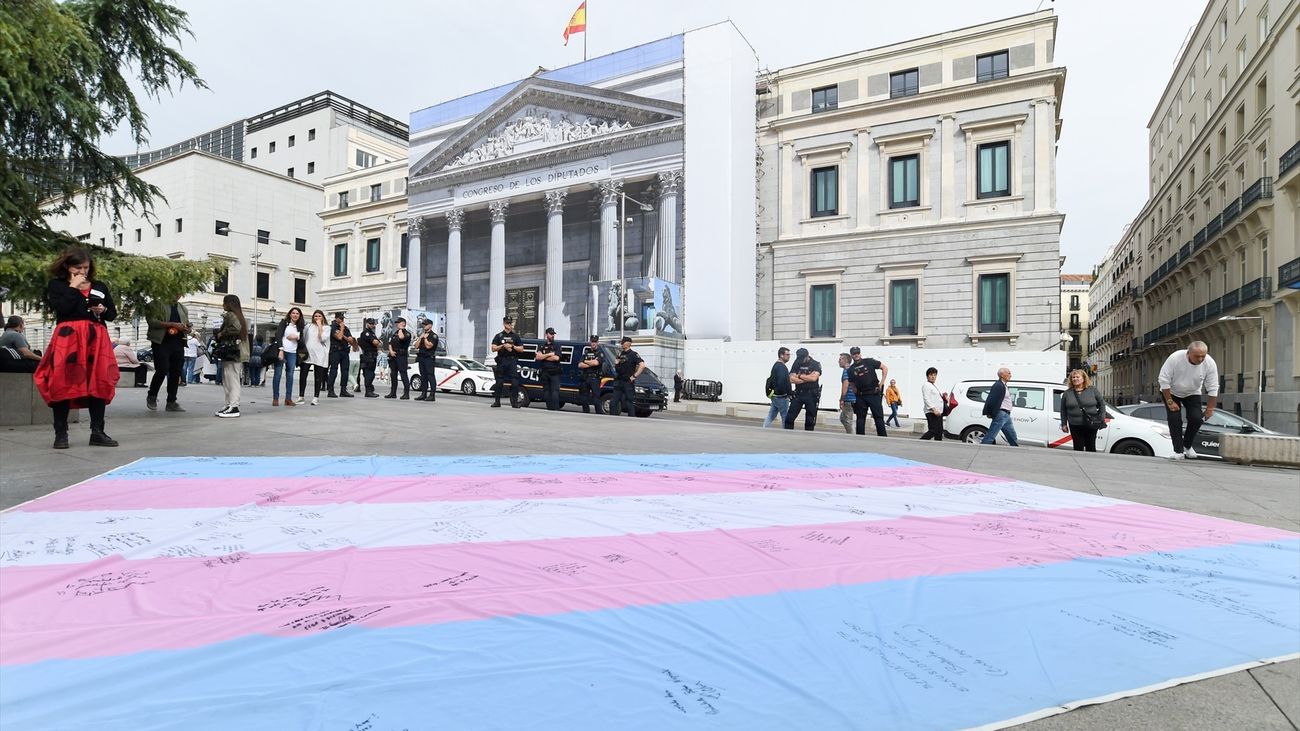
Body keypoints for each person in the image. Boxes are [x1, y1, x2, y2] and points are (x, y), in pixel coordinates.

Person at [34, 246, 119, 448]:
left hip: (96, 337)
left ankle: (97, 431)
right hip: (68, 337)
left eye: (86, 268)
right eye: (78, 268)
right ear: (67, 266)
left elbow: (112, 314)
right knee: (62, 382)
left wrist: (102, 309)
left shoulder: (99, 285)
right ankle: (61, 433)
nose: (82, 272)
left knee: (98, 381)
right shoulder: (57, 285)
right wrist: (74, 287)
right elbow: (62, 308)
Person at [1158, 340, 1220, 460]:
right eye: (1197, 356)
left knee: (1197, 418)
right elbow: (1163, 380)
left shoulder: (1210, 363)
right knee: (1175, 419)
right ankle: (1178, 451)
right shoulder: (1175, 358)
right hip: (1171, 392)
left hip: (1192, 392)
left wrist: (1210, 409)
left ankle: (1187, 445)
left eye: (1203, 356)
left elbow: (1213, 386)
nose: (1201, 359)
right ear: (1188, 353)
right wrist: (1170, 402)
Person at [143, 296, 190, 413]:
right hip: (161, 342)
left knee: (176, 372)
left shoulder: (183, 308)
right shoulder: (155, 304)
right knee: (162, 369)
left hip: (179, 342)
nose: (178, 294)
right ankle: (152, 395)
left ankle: (171, 401)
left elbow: (186, 324)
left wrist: (187, 328)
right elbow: (152, 322)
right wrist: (172, 324)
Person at [214, 294, 249, 418]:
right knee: (229, 378)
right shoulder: (239, 316)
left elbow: (235, 328)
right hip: (235, 352)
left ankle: (233, 406)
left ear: (229, 304)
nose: (222, 305)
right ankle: (229, 404)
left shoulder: (231, 315)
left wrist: (221, 333)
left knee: (231, 379)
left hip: (232, 352)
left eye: (224, 302)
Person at [1060, 368, 1107, 453]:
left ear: (1083, 378)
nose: (1075, 379)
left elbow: (1102, 404)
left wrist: (1101, 418)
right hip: (1074, 424)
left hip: (1091, 423)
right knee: (1078, 447)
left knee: (1091, 446)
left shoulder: (1093, 390)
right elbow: (1063, 409)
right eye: (1073, 377)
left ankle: (1090, 464)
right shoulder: (1067, 393)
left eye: (1077, 377)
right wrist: (1064, 424)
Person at [848, 347, 888, 436]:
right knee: (860, 418)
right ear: (851, 355)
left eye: (858, 353)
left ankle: (883, 438)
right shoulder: (851, 369)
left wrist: (882, 382)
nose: (856, 355)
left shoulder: (869, 361)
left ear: (860, 353)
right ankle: (860, 439)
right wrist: (855, 392)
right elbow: (851, 382)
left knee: (878, 417)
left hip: (873, 393)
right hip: (861, 396)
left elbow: (884, 368)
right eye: (854, 353)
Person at [783, 348, 821, 431]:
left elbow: (814, 378)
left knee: (810, 420)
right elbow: (791, 379)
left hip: (811, 394)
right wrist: (807, 378)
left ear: (807, 356)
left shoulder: (815, 364)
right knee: (789, 418)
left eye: (802, 358)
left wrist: (799, 376)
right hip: (799, 393)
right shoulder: (797, 363)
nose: (801, 360)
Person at [980, 367, 1020, 446]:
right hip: (1001, 413)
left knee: (1012, 434)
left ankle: (1016, 448)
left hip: (1006, 414)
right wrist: (991, 413)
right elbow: (992, 400)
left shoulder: (1003, 385)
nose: (1010, 375)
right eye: (1008, 373)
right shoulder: (998, 385)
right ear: (1002, 375)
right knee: (992, 433)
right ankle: (983, 447)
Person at [490, 316, 523, 408]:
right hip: (502, 360)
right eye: (508, 323)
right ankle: (497, 401)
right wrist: (502, 346)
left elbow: (521, 349)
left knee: (515, 382)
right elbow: (493, 348)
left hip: (512, 360)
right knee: (499, 382)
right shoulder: (499, 336)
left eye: (510, 323)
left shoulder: (515, 336)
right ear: (504, 324)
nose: (510, 325)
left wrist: (512, 347)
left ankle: (514, 401)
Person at [273, 307, 302, 406]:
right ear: (290, 314)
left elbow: (303, 339)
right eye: (293, 313)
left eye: (297, 313)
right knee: (278, 374)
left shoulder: (300, 326)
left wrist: (296, 337)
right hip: (282, 351)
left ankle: (288, 398)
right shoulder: (284, 323)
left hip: (293, 353)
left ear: (299, 315)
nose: (295, 315)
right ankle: (275, 398)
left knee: (290, 375)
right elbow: (278, 335)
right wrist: (280, 349)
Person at [609, 336, 643, 417]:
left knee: (629, 402)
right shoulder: (620, 354)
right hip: (619, 381)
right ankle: (612, 418)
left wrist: (634, 376)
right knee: (613, 402)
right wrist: (616, 363)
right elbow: (617, 367)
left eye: (623, 342)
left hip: (628, 382)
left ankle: (631, 420)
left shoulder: (634, 354)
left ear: (628, 343)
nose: (621, 344)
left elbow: (642, 366)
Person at [303, 309, 331, 406]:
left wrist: (320, 326)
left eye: (319, 316)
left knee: (318, 376)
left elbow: (322, 338)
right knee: (303, 375)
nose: (317, 318)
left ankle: (316, 397)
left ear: (323, 317)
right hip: (308, 355)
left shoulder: (327, 328)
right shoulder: (309, 326)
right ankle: (301, 396)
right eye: (315, 316)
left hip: (319, 355)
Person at [763, 347, 792, 428]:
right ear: (781, 355)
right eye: (787, 354)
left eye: (789, 355)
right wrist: (786, 394)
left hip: (775, 395)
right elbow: (782, 382)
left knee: (772, 415)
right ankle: (785, 433)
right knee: (785, 417)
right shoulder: (781, 367)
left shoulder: (776, 365)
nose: (789, 356)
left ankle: (765, 428)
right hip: (781, 396)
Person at [327, 312, 355, 397]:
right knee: (334, 370)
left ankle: (343, 390)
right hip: (335, 351)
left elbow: (351, 340)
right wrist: (342, 329)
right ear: (336, 318)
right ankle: (330, 390)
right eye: (340, 318)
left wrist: (343, 335)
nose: (342, 320)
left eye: (343, 318)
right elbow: (338, 337)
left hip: (344, 351)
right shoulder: (333, 327)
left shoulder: (346, 328)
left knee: (345, 371)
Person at [385, 316, 412, 399]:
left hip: (402, 356)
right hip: (394, 356)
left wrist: (401, 329)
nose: (397, 324)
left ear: (403, 324)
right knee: (393, 374)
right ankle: (393, 393)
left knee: (403, 374)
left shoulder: (407, 333)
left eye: (398, 323)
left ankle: (406, 394)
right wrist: (391, 351)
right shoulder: (395, 333)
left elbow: (401, 337)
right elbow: (390, 343)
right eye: (396, 323)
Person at [537, 327, 563, 411]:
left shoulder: (556, 346)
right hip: (545, 372)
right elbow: (538, 357)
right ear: (546, 334)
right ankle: (549, 410)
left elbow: (556, 358)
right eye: (551, 334)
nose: (552, 335)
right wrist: (550, 354)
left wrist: (544, 356)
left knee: (555, 393)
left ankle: (556, 410)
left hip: (554, 372)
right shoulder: (542, 346)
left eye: (553, 334)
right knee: (546, 393)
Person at [413, 318, 439, 402]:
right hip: (421, 357)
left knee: (430, 375)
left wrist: (425, 339)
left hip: (429, 358)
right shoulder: (422, 335)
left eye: (426, 324)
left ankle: (432, 395)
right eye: (423, 324)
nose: (424, 326)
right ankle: (423, 394)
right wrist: (420, 338)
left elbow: (429, 346)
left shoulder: (433, 335)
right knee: (423, 376)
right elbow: (416, 346)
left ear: (430, 325)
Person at [577, 334, 603, 414]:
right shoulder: (586, 353)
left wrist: (586, 361)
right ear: (590, 342)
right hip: (585, 378)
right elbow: (579, 365)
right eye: (592, 342)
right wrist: (589, 363)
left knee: (596, 399)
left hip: (595, 378)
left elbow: (596, 363)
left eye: (595, 342)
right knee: (583, 398)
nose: (593, 343)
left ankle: (599, 414)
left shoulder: (600, 353)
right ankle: (586, 413)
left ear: (597, 342)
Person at [358, 317, 381, 398]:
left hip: (372, 355)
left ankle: (370, 388)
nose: (372, 325)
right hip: (368, 356)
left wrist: (378, 342)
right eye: (371, 324)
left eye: (373, 324)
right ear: (367, 324)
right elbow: (376, 342)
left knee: (371, 374)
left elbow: (379, 343)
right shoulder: (366, 333)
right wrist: (377, 342)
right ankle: (368, 391)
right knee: (369, 374)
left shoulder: (372, 333)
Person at [920, 367, 945, 441]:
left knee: (939, 431)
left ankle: (938, 447)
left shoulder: (933, 385)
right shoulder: (926, 385)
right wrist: (934, 409)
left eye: (935, 375)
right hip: (932, 412)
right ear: (927, 376)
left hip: (938, 412)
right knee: (933, 430)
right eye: (931, 375)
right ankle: (919, 442)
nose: (933, 377)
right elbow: (926, 399)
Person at [836, 353, 856, 434]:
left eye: (840, 359)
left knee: (847, 420)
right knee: (844, 418)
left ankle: (852, 437)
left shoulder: (846, 370)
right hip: (852, 398)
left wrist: (842, 399)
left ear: (846, 360)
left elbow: (845, 385)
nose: (839, 361)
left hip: (849, 399)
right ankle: (852, 434)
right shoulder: (851, 369)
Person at [261, 329, 281, 403]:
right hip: (281, 351)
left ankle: (276, 398)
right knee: (278, 374)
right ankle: (277, 398)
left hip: (287, 351)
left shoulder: (272, 345)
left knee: (278, 374)